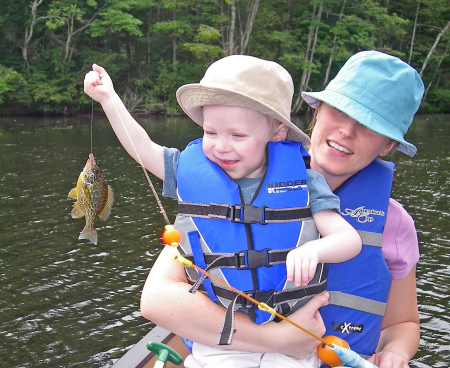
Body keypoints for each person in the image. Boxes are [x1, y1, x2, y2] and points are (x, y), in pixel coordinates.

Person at [83, 55, 362, 368]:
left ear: (278, 133)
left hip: (293, 335)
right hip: (222, 338)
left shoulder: (306, 182)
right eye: (210, 133)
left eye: (238, 135)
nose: (221, 147)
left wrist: (316, 249)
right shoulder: (187, 171)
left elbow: (348, 239)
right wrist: (108, 99)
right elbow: (143, 148)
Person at [301, 50, 423, 368]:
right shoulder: (245, 184)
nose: (347, 130)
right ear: (318, 110)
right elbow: (162, 297)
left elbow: (403, 324)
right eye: (339, 111)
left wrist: (396, 352)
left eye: (369, 125)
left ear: (388, 146)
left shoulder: (395, 224)